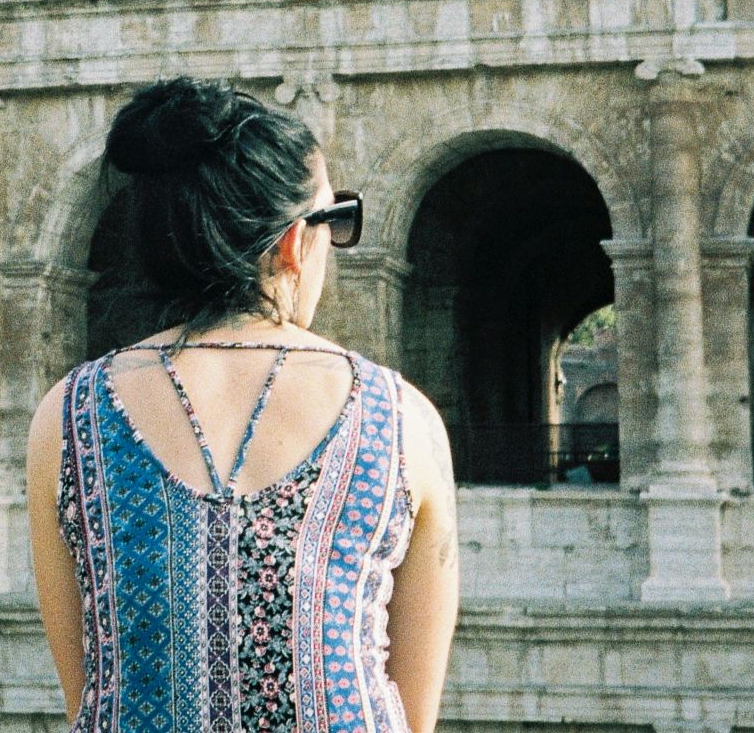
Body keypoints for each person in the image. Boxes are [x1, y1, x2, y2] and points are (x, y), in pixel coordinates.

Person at [26, 77, 461, 733]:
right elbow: (413, 713)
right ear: (293, 242)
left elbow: (87, 692)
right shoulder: (403, 419)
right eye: (333, 220)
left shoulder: (68, 417)